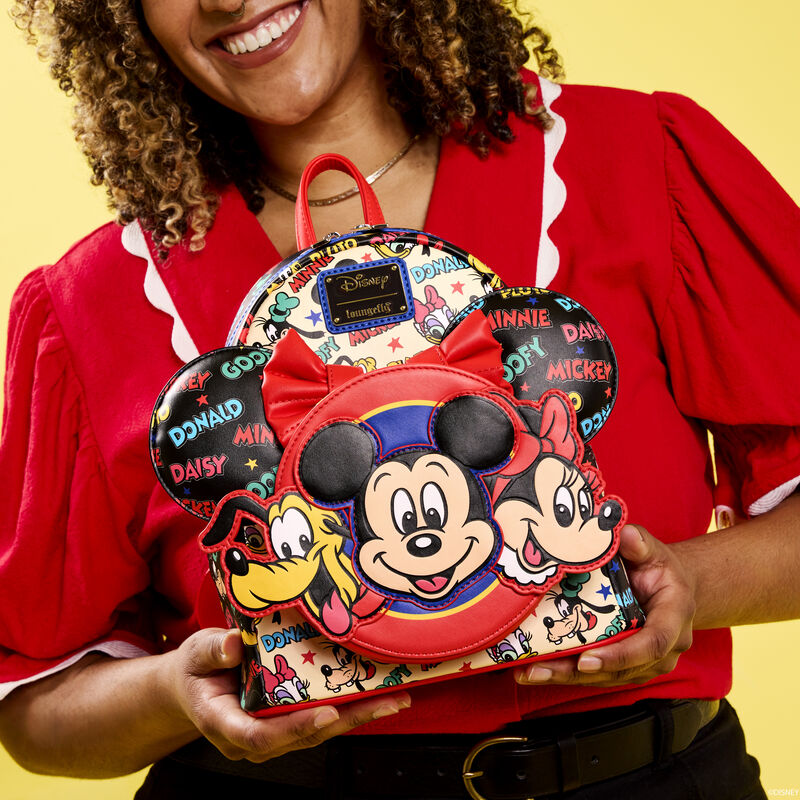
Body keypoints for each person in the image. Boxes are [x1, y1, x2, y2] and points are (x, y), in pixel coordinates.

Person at [1, 1, 799, 798]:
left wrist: (684, 583)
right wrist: (175, 692)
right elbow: (33, 703)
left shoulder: (632, 161)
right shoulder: (91, 304)